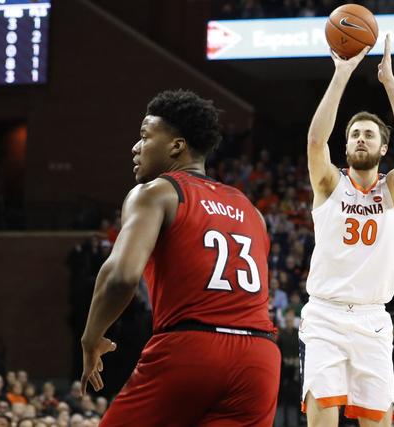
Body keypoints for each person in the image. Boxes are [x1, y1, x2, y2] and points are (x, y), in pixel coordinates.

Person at [79, 90, 280, 426]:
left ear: (176, 146)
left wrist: (91, 336)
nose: (136, 147)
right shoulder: (251, 210)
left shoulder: (157, 192)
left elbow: (121, 276)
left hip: (193, 348)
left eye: (145, 136)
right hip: (259, 359)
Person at [300, 34, 394, 426]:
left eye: (369, 134)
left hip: (373, 320)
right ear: (347, 146)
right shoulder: (329, 184)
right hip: (325, 317)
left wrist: (390, 83)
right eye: (354, 134)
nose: (360, 139)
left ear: (383, 148)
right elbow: (315, 140)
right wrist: (342, 73)